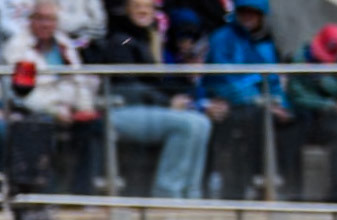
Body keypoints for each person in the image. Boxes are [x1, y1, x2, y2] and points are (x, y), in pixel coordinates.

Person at [93, 0, 211, 200]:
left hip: (147, 108)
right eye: (137, 5)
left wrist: (184, 96)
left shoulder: (152, 39)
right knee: (187, 126)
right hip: (120, 109)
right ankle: (167, 193)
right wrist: (167, 103)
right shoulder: (121, 40)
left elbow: (162, 81)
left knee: (202, 123)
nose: (143, 11)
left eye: (148, 6)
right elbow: (128, 85)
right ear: (127, 9)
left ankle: (191, 193)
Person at [6, 0, 99, 193]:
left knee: (94, 126)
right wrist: (55, 110)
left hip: (69, 107)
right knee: (40, 125)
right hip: (38, 110)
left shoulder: (64, 45)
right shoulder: (19, 47)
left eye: (50, 19)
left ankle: (83, 194)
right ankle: (46, 195)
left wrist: (83, 107)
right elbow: (24, 93)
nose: (45, 24)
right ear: (31, 20)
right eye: (40, 19)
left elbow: (79, 80)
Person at [204, 0, 292, 201]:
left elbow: (274, 81)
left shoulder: (266, 44)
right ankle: (241, 189)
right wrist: (261, 100)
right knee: (252, 120)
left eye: (254, 13)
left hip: (261, 104)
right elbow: (225, 80)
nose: (248, 17)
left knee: (295, 122)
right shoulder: (223, 38)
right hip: (229, 104)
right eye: (244, 12)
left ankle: (285, 187)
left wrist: (282, 105)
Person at [287, 24, 337, 201]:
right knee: (293, 134)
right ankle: (294, 193)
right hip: (302, 116)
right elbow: (297, 95)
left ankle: (334, 194)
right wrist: (325, 103)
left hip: (327, 120)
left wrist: (324, 83)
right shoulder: (301, 59)